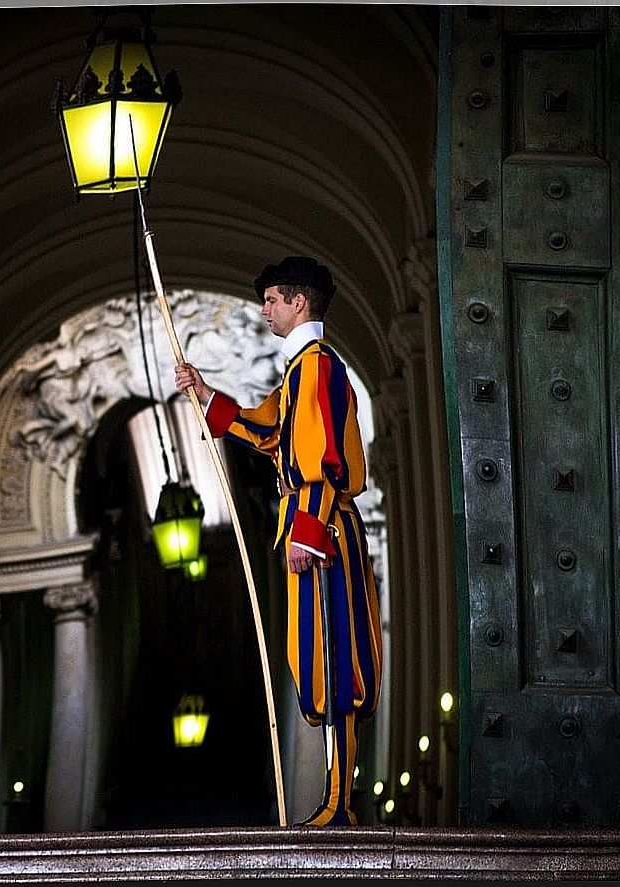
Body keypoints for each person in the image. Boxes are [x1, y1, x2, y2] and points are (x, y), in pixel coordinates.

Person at [174, 255, 382, 826]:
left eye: (271, 300)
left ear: (298, 302)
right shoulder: (300, 371)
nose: (264, 309)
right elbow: (268, 430)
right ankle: (333, 799)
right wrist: (206, 393)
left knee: (337, 662)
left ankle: (340, 804)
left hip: (324, 532)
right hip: (315, 529)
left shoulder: (317, 367)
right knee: (317, 659)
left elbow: (323, 462)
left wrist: (307, 532)